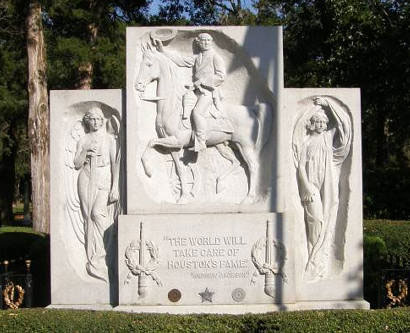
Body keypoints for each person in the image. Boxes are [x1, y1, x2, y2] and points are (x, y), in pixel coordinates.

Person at [297, 97, 351, 280]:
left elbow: (344, 124)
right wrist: (305, 186)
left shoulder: (328, 137)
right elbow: (300, 166)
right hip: (311, 186)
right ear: (311, 124)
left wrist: (329, 104)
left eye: (323, 121)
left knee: (326, 217)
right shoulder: (305, 142)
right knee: (316, 220)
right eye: (317, 121)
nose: (320, 124)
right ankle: (313, 259)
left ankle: (319, 262)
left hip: (327, 184)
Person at [153, 33, 231, 152]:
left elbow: (221, 76)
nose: (205, 43)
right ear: (198, 43)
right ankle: (184, 132)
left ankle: (200, 141)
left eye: (208, 41)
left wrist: (202, 81)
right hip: (195, 90)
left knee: (197, 113)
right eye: (203, 41)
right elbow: (181, 60)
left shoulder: (215, 57)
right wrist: (163, 50)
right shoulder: (197, 57)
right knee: (180, 104)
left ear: (211, 42)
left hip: (208, 92)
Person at [74, 106, 119, 281]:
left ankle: (103, 256)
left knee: (97, 214)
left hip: (103, 176)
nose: (95, 122)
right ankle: (90, 256)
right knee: (88, 218)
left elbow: (115, 163)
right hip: (86, 176)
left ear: (102, 121)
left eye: (98, 119)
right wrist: (85, 151)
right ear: (87, 121)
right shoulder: (83, 139)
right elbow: (77, 163)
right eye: (91, 119)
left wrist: (115, 186)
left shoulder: (109, 140)